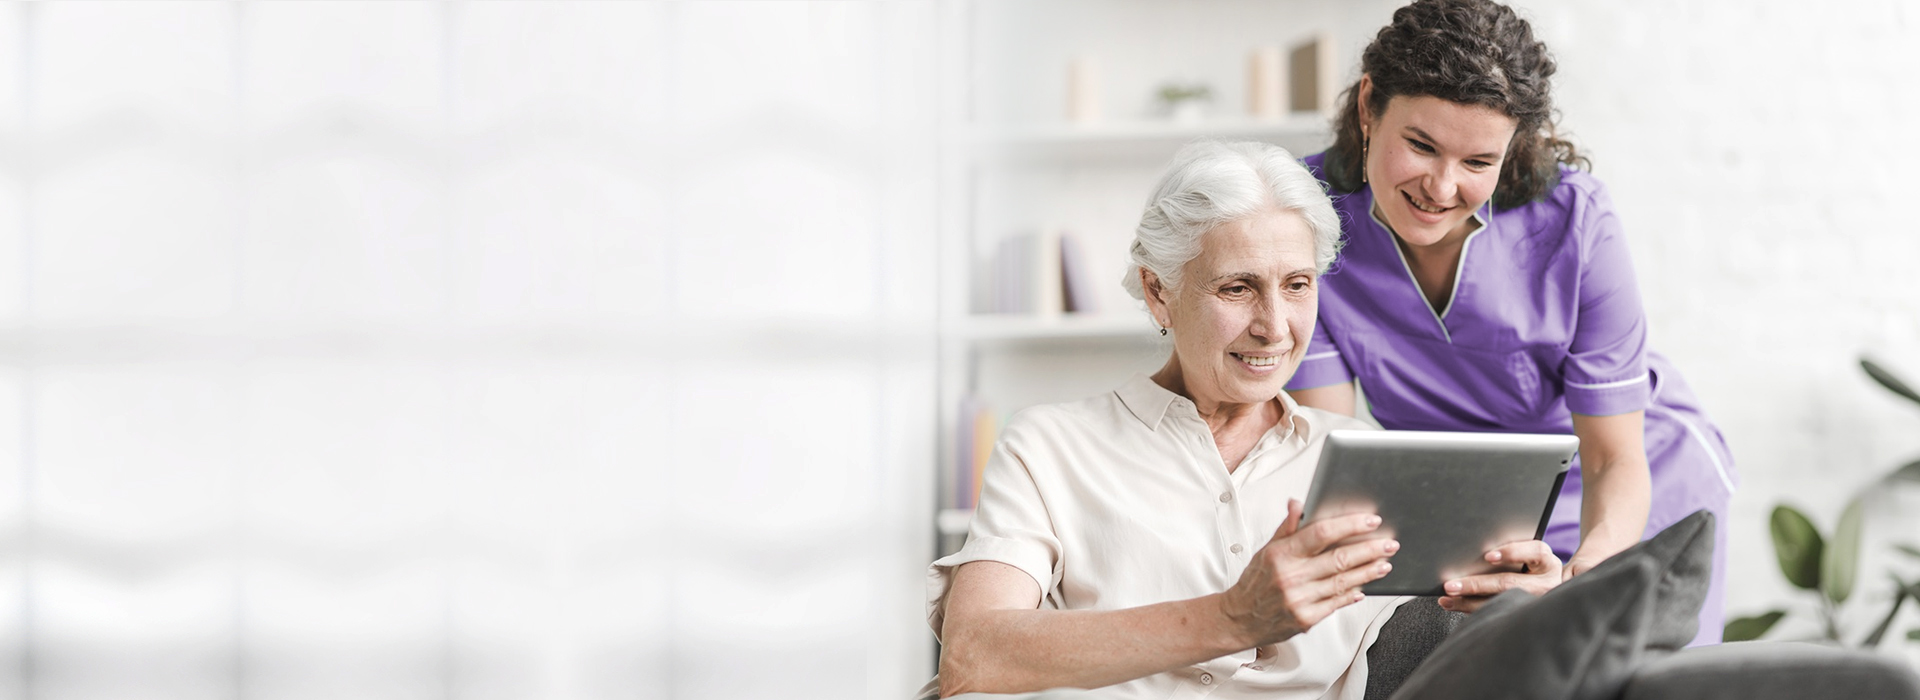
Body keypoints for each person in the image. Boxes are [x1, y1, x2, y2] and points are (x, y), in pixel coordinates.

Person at [924, 141, 1561, 700]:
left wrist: (1519, 607)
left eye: (1298, 285)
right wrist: (1233, 618)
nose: (1276, 326)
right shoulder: (1051, 446)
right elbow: (974, 655)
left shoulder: (1360, 457)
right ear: (1157, 291)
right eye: (1237, 287)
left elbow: (1423, 648)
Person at [1284, 0, 1735, 645]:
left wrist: (1583, 583)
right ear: (1367, 106)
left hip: (1633, 473)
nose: (1441, 186)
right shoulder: (1309, 215)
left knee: (1617, 663)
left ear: (1511, 147)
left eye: (1477, 163)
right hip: (1472, 494)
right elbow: (1335, 452)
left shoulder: (1576, 222)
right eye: (1421, 145)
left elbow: (1614, 458)